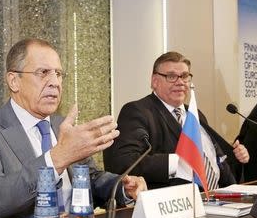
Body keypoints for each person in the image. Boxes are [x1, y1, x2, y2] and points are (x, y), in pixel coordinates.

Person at [0, 38, 147, 218]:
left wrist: (123, 187)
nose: (55, 83)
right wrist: (56, 159)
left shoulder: (61, 124)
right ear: (14, 81)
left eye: (58, 74)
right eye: (43, 73)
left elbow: (90, 178)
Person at [104, 51, 249, 190]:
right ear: (155, 81)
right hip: (172, 206)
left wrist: (236, 157)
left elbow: (213, 160)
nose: (180, 82)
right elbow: (124, 162)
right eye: (172, 76)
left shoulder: (196, 114)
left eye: (185, 76)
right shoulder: (138, 111)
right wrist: (177, 162)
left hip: (217, 199)